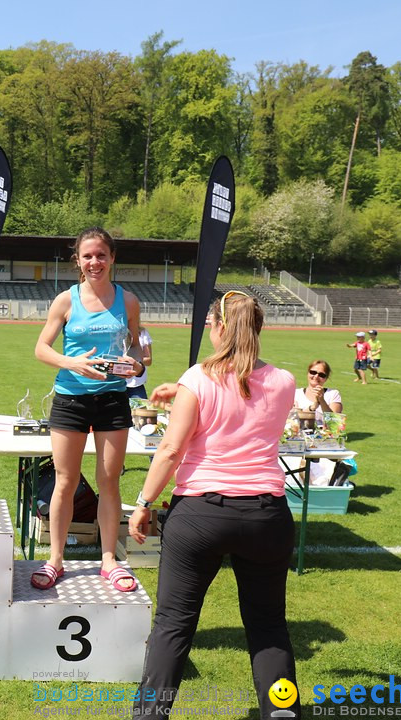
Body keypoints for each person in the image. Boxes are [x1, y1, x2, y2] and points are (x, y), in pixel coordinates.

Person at [127, 290, 299, 719]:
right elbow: (242, 401)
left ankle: (149, 715)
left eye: (210, 322)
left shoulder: (198, 379)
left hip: (201, 512)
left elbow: (170, 449)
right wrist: (183, 389)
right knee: (268, 625)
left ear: (221, 327)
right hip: (266, 513)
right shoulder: (284, 380)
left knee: (172, 625)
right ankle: (282, 713)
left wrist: (144, 501)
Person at [33, 227, 145, 593]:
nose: (94, 262)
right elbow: (41, 349)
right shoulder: (65, 301)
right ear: (77, 261)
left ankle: (109, 560)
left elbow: (139, 346)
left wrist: (137, 365)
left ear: (112, 258)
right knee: (65, 481)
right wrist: (72, 363)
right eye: (87, 256)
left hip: (113, 400)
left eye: (101, 255)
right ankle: (55, 560)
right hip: (71, 399)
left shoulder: (128, 300)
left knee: (109, 482)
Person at [294, 359, 343, 423]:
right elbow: (294, 419)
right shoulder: (296, 393)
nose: (316, 376)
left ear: (326, 378)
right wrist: (313, 407)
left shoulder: (333, 394)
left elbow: (334, 422)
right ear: (308, 373)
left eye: (321, 375)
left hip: (325, 432)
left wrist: (322, 400)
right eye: (313, 372)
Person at [124, 325, 153, 400]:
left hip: (136, 385)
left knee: (142, 411)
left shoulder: (143, 333)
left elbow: (149, 360)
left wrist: (133, 361)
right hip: (116, 384)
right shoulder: (115, 332)